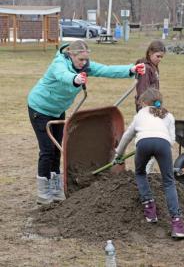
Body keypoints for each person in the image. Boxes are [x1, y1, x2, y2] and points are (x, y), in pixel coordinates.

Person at [27, 40, 145, 205]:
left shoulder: (85, 66)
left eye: (85, 60)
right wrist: (75, 79)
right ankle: (43, 191)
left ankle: (55, 187)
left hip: (57, 111)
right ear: (71, 55)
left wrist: (131, 69)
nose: (84, 63)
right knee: (47, 150)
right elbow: (63, 75)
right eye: (80, 60)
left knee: (57, 150)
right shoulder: (59, 63)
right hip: (39, 108)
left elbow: (106, 69)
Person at [115, 87, 184, 238]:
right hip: (163, 144)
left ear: (144, 102)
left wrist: (119, 154)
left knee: (140, 172)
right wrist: (159, 148)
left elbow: (127, 136)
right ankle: (177, 224)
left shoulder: (140, 114)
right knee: (169, 182)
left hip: (143, 143)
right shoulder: (169, 116)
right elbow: (171, 139)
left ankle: (150, 209)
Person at [135, 40, 166, 173]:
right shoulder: (146, 68)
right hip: (146, 109)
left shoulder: (152, 66)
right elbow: (143, 91)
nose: (159, 59)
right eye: (157, 56)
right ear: (150, 53)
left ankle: (147, 170)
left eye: (162, 57)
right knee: (150, 140)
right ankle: (144, 172)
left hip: (153, 107)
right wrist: (147, 110)